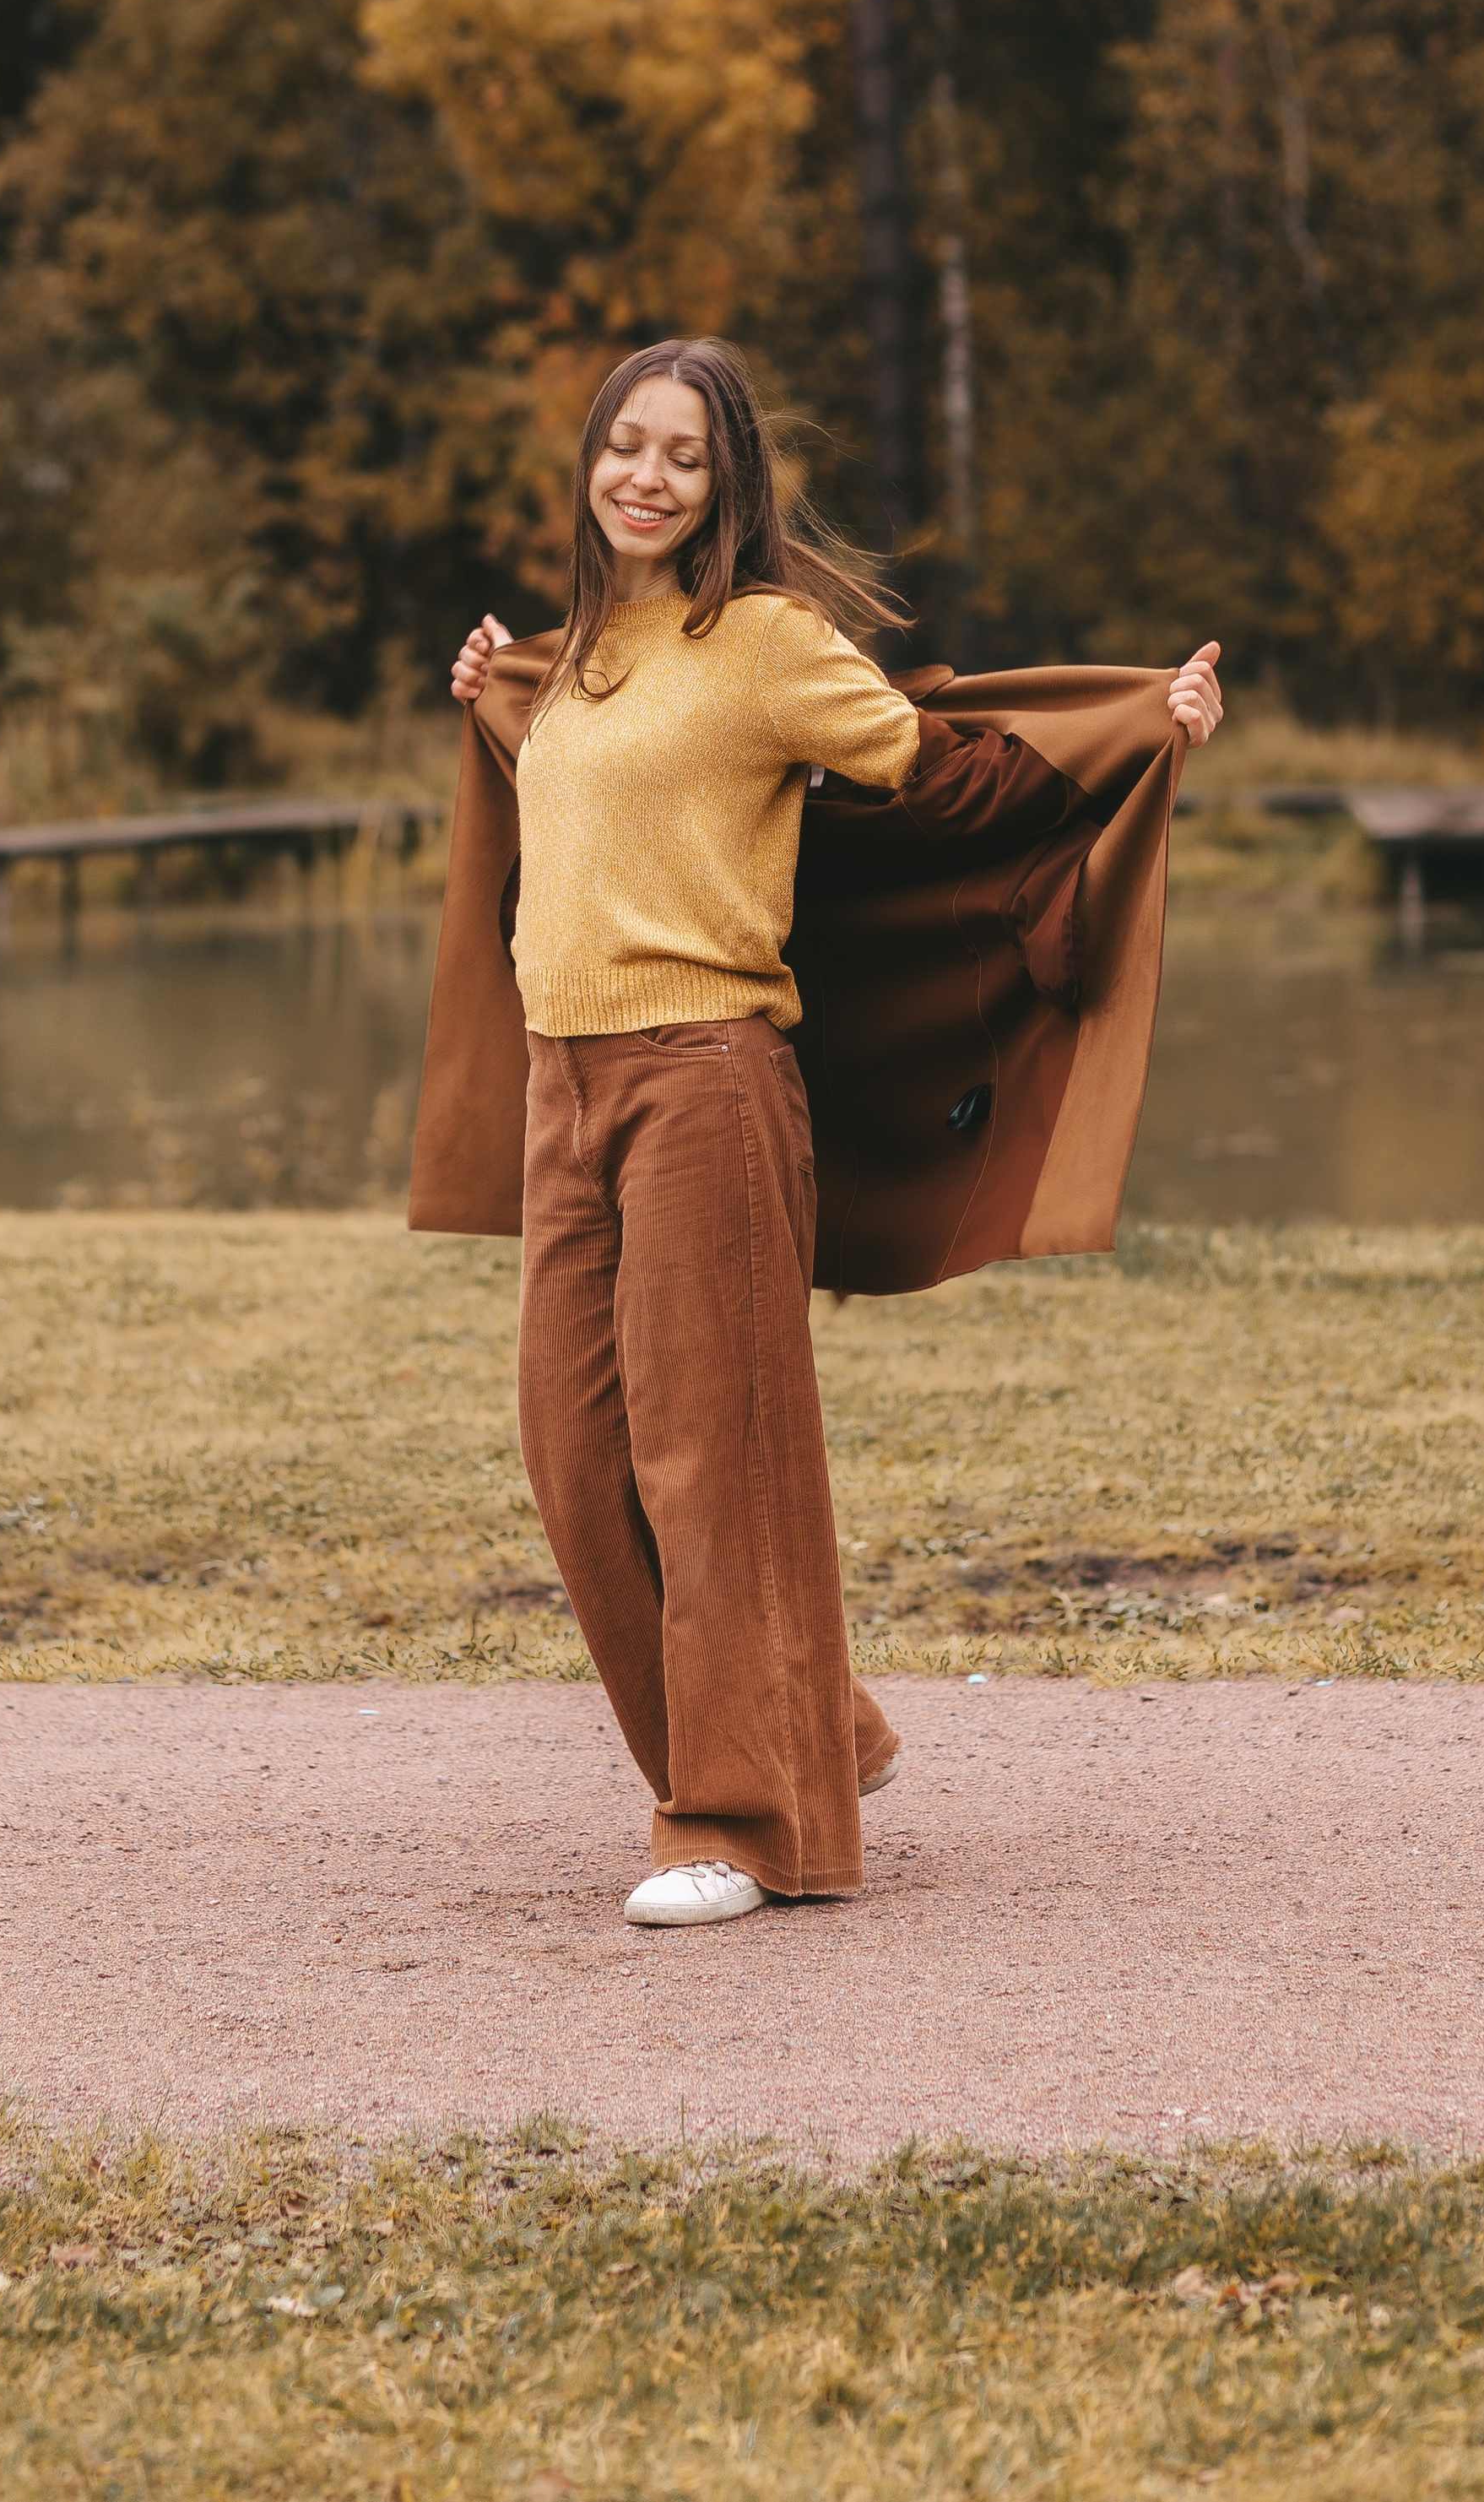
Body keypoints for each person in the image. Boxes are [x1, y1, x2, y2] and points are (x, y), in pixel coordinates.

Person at [446, 338, 1222, 1928]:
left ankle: (742, 1819)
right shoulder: (583, 656)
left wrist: (1142, 731)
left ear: (725, 483)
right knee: (574, 1447)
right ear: (589, 465)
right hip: (560, 1084)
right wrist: (499, 695)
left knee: (706, 1449)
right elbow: (582, 804)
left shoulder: (769, 643)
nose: (644, 477)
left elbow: (943, 774)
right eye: (623, 448)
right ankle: (820, 1727)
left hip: (706, 1078)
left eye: (681, 456)